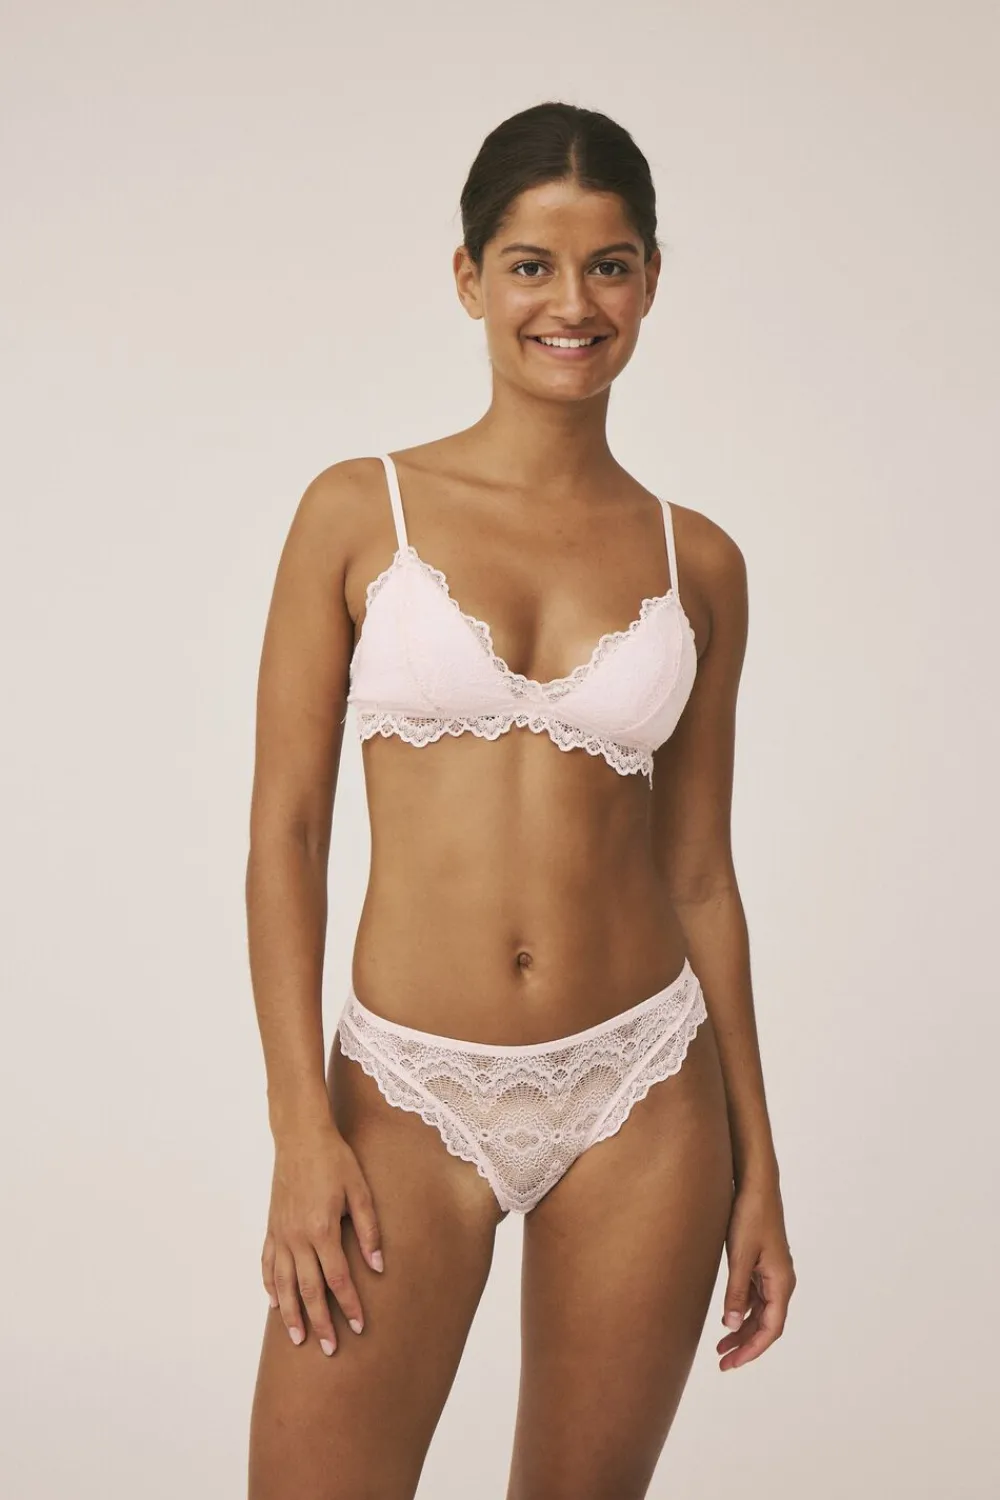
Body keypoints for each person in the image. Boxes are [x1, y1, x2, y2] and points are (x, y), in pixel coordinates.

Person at [245, 100, 796, 1500]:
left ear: (651, 283)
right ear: (470, 278)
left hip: (646, 1089)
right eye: (532, 266)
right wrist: (302, 1129)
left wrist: (760, 1167)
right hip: (404, 1093)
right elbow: (287, 836)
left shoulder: (699, 562)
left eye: (609, 266)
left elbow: (702, 875)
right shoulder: (358, 511)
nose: (572, 303)